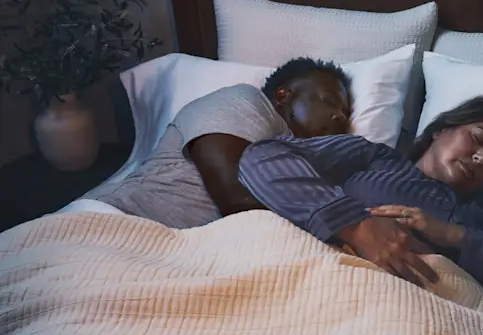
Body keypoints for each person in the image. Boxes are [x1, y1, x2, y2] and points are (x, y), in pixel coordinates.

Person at [237, 96, 483, 299]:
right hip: (315, 283)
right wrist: (355, 225)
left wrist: (453, 236)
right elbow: (261, 159)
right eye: (478, 138)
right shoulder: (374, 158)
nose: (481, 157)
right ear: (441, 129)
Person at [84, 57, 352, 229]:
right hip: (116, 223)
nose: (339, 116)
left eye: (345, 113)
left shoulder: (307, 160)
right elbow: (233, 198)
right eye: (328, 100)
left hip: (183, 254)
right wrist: (346, 226)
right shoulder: (248, 101)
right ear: (283, 95)